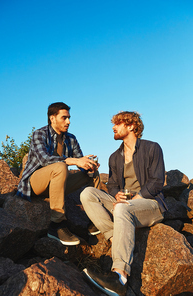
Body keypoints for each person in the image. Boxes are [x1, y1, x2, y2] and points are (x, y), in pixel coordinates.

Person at [81, 111, 168, 296]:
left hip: (151, 204)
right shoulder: (114, 157)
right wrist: (116, 195)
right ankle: (115, 238)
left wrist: (134, 200)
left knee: (122, 208)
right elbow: (112, 184)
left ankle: (120, 277)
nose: (113, 127)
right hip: (125, 204)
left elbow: (157, 182)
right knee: (87, 193)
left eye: (118, 123)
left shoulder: (152, 148)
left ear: (131, 126)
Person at [17, 102, 100, 246]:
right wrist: (74, 161)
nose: (68, 122)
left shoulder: (71, 138)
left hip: (57, 184)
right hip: (36, 184)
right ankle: (57, 225)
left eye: (69, 118)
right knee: (60, 166)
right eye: (64, 118)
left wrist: (87, 165)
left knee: (93, 173)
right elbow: (44, 159)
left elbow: (79, 161)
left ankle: (94, 221)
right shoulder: (39, 134)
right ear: (52, 118)